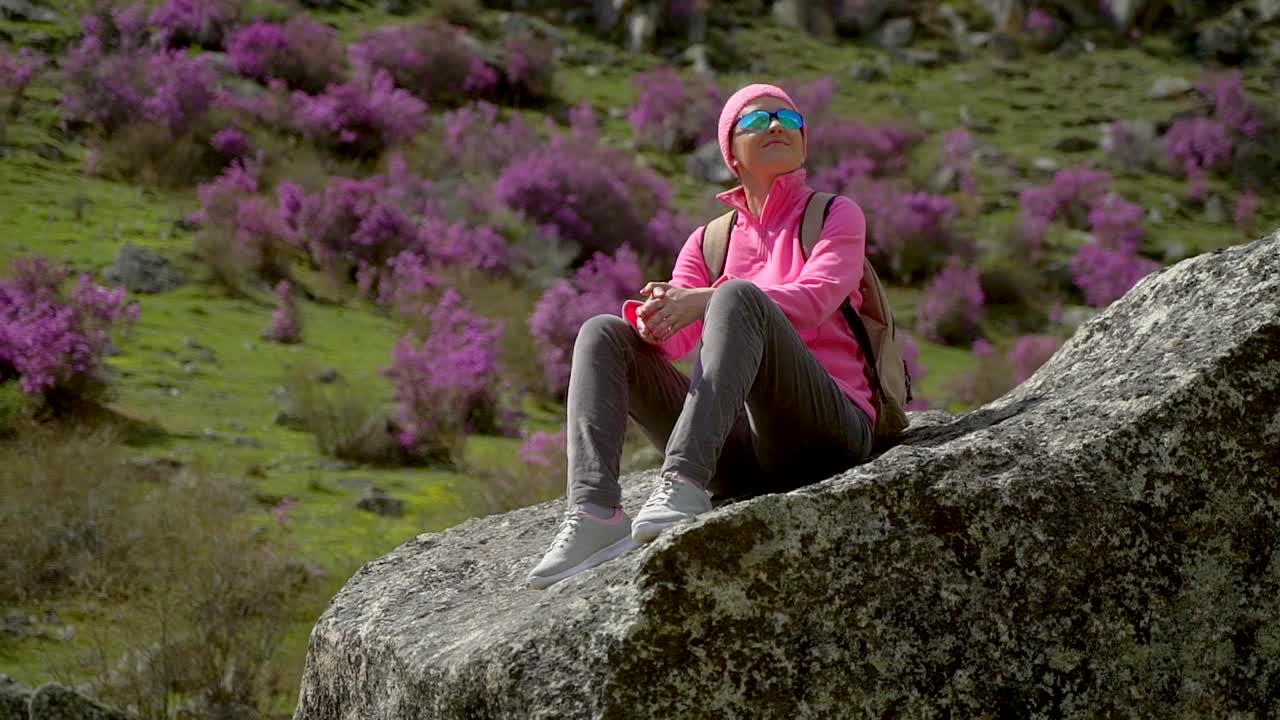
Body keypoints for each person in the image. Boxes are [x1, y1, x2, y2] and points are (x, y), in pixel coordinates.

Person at [528, 83, 876, 590]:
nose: (776, 125)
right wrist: (656, 316)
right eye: (757, 122)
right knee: (603, 332)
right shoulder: (710, 240)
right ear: (730, 151)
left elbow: (815, 299)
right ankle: (593, 515)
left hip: (826, 433)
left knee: (738, 297)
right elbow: (674, 343)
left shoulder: (834, 215)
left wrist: (711, 298)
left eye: (788, 119)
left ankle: (683, 481)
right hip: (740, 457)